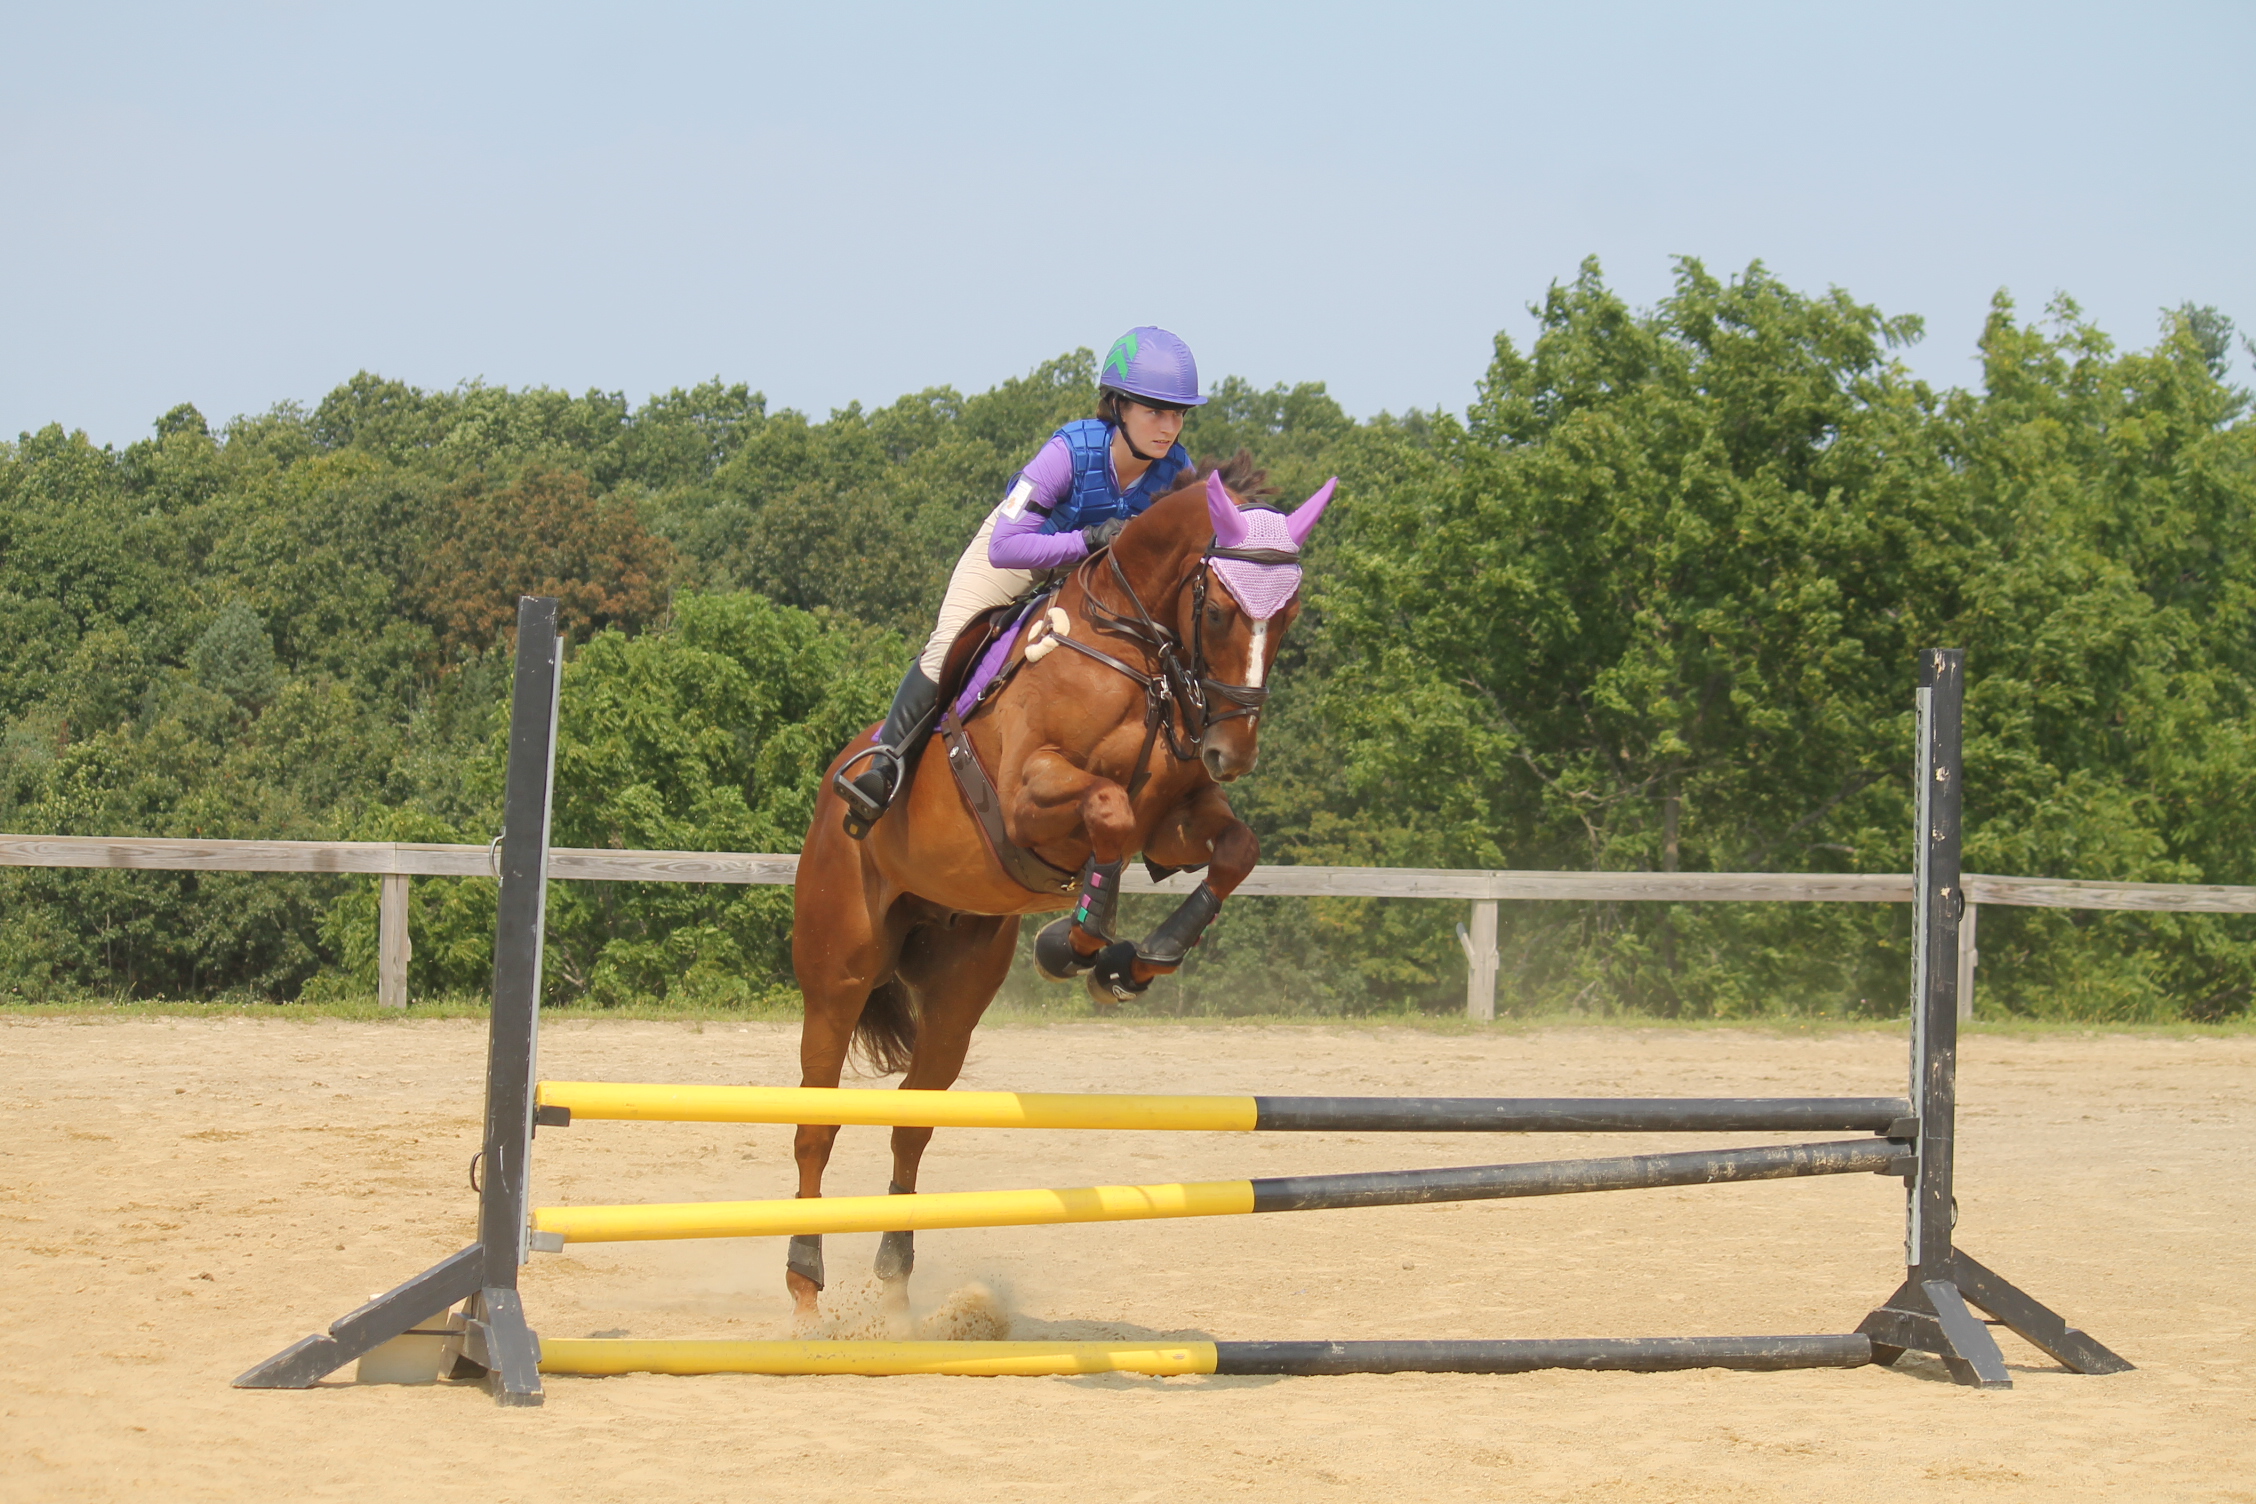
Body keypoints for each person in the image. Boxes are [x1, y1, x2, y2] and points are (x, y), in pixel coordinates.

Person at [834, 326, 1207, 837]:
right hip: (1023, 555)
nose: (1170, 427)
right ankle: (884, 767)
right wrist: (1088, 538)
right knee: (948, 645)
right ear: (1118, 406)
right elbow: (1006, 545)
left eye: (1178, 413)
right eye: (1155, 412)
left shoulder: (1178, 471)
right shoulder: (1068, 451)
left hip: (1096, 582)